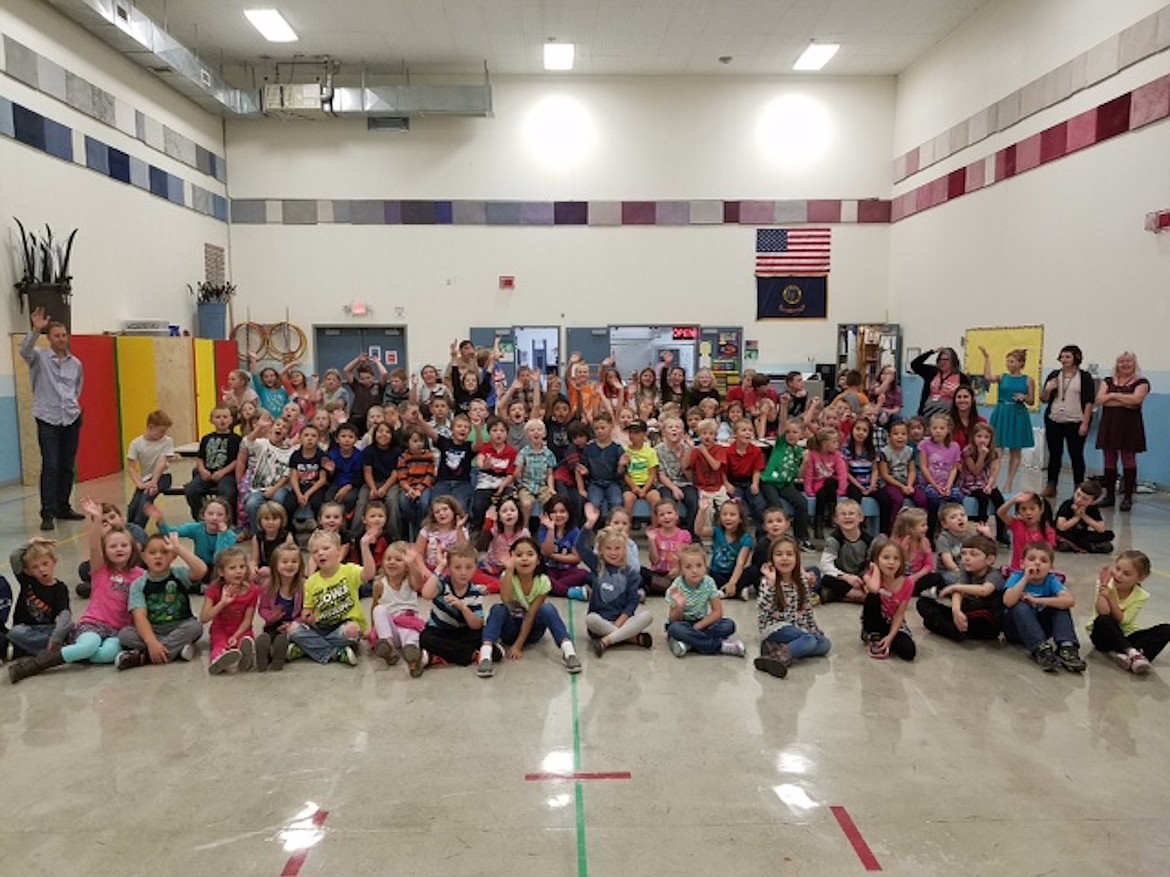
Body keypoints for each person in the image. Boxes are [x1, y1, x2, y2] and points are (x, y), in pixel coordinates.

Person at [9, 498, 144, 683]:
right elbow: (95, 546)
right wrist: (96, 521)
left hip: (117, 630)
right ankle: (34, 665)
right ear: (106, 551)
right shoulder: (101, 570)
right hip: (93, 624)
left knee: (106, 655)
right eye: (113, 546)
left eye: (124, 545)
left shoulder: (140, 575)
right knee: (88, 647)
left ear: (132, 548)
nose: (119, 549)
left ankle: (74, 652)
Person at [476, 538, 581, 677]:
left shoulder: (543, 581)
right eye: (519, 555)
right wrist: (508, 570)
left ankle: (569, 652)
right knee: (498, 609)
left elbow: (531, 615)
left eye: (530, 554)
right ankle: (485, 655)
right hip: (510, 629)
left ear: (538, 560)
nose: (524, 559)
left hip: (532, 631)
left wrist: (518, 645)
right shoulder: (507, 576)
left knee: (547, 608)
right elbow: (506, 599)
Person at [20, 307, 85, 531]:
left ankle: (63, 506)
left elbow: (77, 389)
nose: (61, 339)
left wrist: (71, 408)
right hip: (47, 418)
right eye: (56, 335)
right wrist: (35, 330)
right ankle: (47, 512)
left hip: (71, 417)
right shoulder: (38, 357)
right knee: (51, 465)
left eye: (64, 335)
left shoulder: (75, 363)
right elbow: (24, 350)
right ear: (49, 338)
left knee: (67, 466)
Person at [114, 533, 206, 670]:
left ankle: (144, 657)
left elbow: (201, 570)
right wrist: (151, 642)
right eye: (152, 552)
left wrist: (178, 549)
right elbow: (139, 617)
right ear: (144, 557)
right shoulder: (138, 584)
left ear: (173, 556)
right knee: (125, 635)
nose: (158, 556)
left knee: (195, 627)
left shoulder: (179, 574)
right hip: (153, 629)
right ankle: (176, 650)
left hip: (180, 625)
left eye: (164, 552)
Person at [288, 528, 376, 666]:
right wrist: (308, 617)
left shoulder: (349, 571)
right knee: (292, 629)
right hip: (322, 626)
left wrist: (364, 547)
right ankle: (336, 653)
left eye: (325, 548)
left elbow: (369, 574)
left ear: (339, 551)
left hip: (345, 626)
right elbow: (307, 610)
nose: (321, 553)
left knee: (352, 631)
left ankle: (308, 648)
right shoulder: (311, 582)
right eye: (315, 552)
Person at [754, 535, 830, 678]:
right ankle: (778, 658)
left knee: (824, 644)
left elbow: (807, 610)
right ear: (772, 559)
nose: (784, 558)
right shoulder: (768, 581)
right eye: (779, 554)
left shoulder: (802, 581)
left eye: (789, 554)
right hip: (774, 627)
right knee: (808, 640)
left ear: (797, 559)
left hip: (796, 627)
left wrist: (814, 630)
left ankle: (774, 649)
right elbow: (762, 607)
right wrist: (771, 584)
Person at [1001, 541, 1085, 672]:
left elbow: (1069, 601)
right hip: (1016, 630)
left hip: (1041, 627)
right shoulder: (1017, 576)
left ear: (1051, 568)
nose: (1037, 563)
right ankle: (1040, 649)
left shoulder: (1051, 580)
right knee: (1020, 606)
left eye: (1043, 560)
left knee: (1060, 605)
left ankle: (1066, 646)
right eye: (1032, 559)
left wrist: (1038, 600)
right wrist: (1025, 580)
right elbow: (1007, 601)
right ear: (1022, 563)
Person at [1089, 550, 1169, 674]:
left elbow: (1124, 621)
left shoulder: (1141, 595)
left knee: (1166, 629)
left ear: (1140, 578)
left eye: (1126, 573)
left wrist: (1109, 597)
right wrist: (1104, 587)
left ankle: (1124, 655)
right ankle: (1132, 653)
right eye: (1117, 569)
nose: (1119, 575)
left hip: (1127, 634)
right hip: (1104, 637)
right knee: (1103, 620)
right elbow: (1103, 612)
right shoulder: (1105, 584)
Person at [915, 534, 1005, 642]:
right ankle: (954, 630)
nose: (966, 558)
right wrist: (956, 611)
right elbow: (958, 592)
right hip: (965, 615)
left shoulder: (995, 574)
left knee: (978, 604)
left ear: (989, 559)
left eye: (973, 554)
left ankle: (949, 628)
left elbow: (984, 590)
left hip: (985, 620)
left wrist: (954, 587)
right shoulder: (965, 571)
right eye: (963, 553)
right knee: (923, 603)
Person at [413, 542, 487, 672]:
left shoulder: (475, 591)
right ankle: (469, 655)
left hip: (462, 633)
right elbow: (426, 594)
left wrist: (463, 607)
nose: (463, 572)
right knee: (425, 638)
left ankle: (435, 656)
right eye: (457, 567)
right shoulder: (443, 584)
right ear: (449, 568)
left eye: (468, 567)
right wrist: (440, 566)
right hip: (439, 631)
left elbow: (477, 624)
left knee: (481, 633)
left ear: (476, 568)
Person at [664, 544, 746, 658]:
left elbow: (717, 612)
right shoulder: (677, 586)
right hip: (683, 623)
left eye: (699, 566)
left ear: (705, 567)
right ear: (681, 570)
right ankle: (720, 646)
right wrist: (680, 606)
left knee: (728, 625)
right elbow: (673, 619)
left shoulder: (709, 582)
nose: (694, 571)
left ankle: (689, 643)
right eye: (688, 567)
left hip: (702, 622)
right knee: (674, 629)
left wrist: (697, 627)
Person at [1094, 351, 1149, 510]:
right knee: (1109, 460)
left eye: (1129, 361)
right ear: (1117, 364)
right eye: (1121, 361)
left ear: (1134, 364)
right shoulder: (1108, 380)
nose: (1125, 364)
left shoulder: (1142, 382)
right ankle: (1109, 496)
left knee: (1128, 460)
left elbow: (1137, 400)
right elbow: (1100, 400)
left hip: (1130, 426)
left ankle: (1127, 497)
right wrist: (1123, 399)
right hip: (1110, 425)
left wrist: (1111, 396)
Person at [1040, 345, 1095, 498]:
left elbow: (1090, 402)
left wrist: (1085, 423)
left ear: (1076, 358)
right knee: (1054, 454)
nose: (1064, 360)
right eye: (1062, 357)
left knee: (1076, 454)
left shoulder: (1084, 377)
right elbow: (1044, 399)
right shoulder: (1054, 375)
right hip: (1054, 419)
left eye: (1067, 357)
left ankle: (1079, 487)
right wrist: (1048, 389)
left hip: (1076, 420)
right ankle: (1051, 485)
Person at [980, 346, 1035, 492]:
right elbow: (988, 377)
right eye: (1007, 361)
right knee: (997, 449)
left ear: (1020, 363)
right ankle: (993, 480)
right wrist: (986, 358)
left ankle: (1009, 483)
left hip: (1018, 414)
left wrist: (1024, 398)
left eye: (1012, 361)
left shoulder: (1028, 380)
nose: (1009, 364)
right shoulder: (1003, 377)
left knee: (1015, 451)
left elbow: (1031, 400)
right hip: (1002, 411)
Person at [6, 538, 71, 659]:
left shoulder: (60, 588)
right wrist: (31, 542)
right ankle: (55, 651)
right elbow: (14, 556)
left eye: (45, 564)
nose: (41, 569)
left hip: (48, 629)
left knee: (70, 626)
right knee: (15, 632)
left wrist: (57, 637)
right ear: (28, 571)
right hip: (26, 628)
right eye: (35, 567)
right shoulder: (27, 580)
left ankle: (49, 648)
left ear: (54, 562)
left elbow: (64, 614)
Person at [154, 497, 236, 592]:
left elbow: (218, 559)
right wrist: (161, 521)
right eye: (210, 514)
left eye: (220, 515)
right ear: (203, 515)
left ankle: (209, 588)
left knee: (225, 574)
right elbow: (170, 533)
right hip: (200, 567)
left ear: (226, 518)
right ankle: (202, 587)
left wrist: (222, 535)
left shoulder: (230, 536)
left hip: (218, 568)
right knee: (180, 578)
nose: (214, 518)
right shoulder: (197, 528)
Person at [370, 542, 427, 675]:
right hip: (391, 630)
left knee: (412, 636)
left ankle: (413, 661)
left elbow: (419, 581)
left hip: (409, 625)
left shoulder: (410, 582)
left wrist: (413, 563)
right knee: (379, 610)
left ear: (406, 566)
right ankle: (388, 648)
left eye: (398, 559)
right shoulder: (379, 584)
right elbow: (374, 606)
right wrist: (373, 628)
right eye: (388, 559)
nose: (392, 562)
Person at [761, 418, 814, 551]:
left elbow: (799, 475)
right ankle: (775, 537)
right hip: (769, 482)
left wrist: (805, 462)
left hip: (785, 484)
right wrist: (784, 406)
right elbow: (782, 424)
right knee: (776, 506)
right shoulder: (781, 444)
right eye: (788, 432)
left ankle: (801, 538)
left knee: (802, 503)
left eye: (795, 432)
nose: (791, 434)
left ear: (801, 434)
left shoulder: (799, 451)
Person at [860, 537, 916, 661]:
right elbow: (874, 589)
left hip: (894, 622)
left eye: (896, 558)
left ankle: (885, 638)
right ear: (876, 560)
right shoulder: (869, 576)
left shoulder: (908, 583)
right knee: (872, 596)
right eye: (886, 558)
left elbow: (900, 614)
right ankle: (872, 634)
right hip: (875, 619)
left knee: (909, 652)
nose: (891, 562)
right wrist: (875, 569)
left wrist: (890, 637)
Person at [255, 542, 303, 672]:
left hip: (295, 624)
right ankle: (264, 656)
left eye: (294, 561)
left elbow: (306, 610)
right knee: (270, 634)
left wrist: (295, 622)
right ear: (275, 565)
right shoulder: (267, 586)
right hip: (274, 623)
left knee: (293, 637)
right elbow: (262, 608)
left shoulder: (303, 587)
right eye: (285, 562)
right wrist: (270, 617)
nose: (289, 565)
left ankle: (278, 656)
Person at [696, 498, 754, 600]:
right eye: (724, 514)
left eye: (732, 515)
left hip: (735, 574)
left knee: (753, 571)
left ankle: (725, 591)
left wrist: (732, 582)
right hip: (717, 573)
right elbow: (698, 531)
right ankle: (738, 591)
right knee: (706, 574)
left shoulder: (746, 539)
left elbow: (740, 563)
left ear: (740, 519)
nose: (728, 518)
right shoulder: (717, 531)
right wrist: (702, 511)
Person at [817, 500, 873, 604]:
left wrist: (865, 580)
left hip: (859, 578)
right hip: (840, 577)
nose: (847, 517)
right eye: (843, 514)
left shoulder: (868, 540)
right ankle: (853, 596)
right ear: (836, 520)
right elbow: (825, 565)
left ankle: (837, 595)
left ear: (861, 518)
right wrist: (845, 577)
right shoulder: (834, 539)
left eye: (851, 514)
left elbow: (870, 565)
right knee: (826, 579)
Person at [842, 417, 891, 534]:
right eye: (858, 429)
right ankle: (856, 530)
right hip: (854, 483)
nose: (860, 432)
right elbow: (846, 472)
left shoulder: (872, 450)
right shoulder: (846, 449)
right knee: (855, 496)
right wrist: (860, 486)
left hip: (869, 483)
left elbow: (875, 470)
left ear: (868, 434)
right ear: (852, 430)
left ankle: (883, 533)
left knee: (885, 500)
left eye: (864, 430)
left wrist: (872, 486)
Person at [917, 414, 963, 536]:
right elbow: (924, 467)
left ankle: (955, 531)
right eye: (935, 428)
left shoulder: (954, 446)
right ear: (929, 429)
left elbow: (954, 469)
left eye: (942, 428)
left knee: (958, 497)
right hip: (930, 484)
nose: (938, 431)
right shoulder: (924, 445)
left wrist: (948, 486)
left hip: (946, 484)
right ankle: (931, 533)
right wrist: (936, 486)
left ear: (948, 430)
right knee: (934, 498)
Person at [537, 496, 590, 597]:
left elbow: (576, 559)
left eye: (562, 511)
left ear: (568, 513)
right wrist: (551, 530)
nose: (558, 515)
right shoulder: (544, 529)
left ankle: (554, 588)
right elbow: (547, 551)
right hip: (548, 570)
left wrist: (553, 556)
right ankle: (570, 592)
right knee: (540, 578)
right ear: (548, 514)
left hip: (567, 571)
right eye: (554, 512)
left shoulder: (574, 531)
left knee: (583, 574)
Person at [878, 420, 925, 528]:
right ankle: (894, 529)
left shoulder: (910, 451)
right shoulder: (884, 452)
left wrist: (909, 485)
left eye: (903, 434)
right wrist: (901, 486)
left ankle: (921, 527)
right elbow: (885, 474)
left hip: (907, 482)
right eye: (896, 434)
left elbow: (912, 470)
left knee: (922, 499)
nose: (900, 437)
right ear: (889, 437)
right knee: (897, 499)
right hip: (891, 484)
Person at [803, 427, 847, 539]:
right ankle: (818, 526)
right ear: (824, 443)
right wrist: (809, 489)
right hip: (819, 484)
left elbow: (842, 473)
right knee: (821, 496)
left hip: (833, 484)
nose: (837, 445)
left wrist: (842, 489)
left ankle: (833, 513)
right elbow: (809, 473)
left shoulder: (837, 455)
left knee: (829, 481)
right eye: (834, 442)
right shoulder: (813, 455)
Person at [959, 423, 1004, 530]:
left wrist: (989, 484)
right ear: (973, 437)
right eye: (979, 436)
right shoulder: (968, 451)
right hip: (971, 483)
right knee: (983, 499)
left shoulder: (993, 452)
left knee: (999, 499)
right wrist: (981, 456)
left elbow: (994, 470)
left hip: (985, 481)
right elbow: (975, 471)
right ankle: (982, 526)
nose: (982, 440)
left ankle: (1002, 531)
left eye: (986, 437)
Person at [395, 428, 438, 541]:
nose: (418, 444)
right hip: (408, 487)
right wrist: (409, 489)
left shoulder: (429, 456)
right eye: (414, 441)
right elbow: (402, 477)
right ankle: (414, 525)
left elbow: (430, 475)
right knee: (403, 503)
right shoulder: (403, 457)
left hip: (424, 487)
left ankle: (420, 530)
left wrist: (419, 489)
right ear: (407, 443)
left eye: (421, 441)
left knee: (424, 503)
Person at [997, 492, 1056, 572]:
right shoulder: (1017, 525)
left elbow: (1049, 554)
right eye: (1023, 509)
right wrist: (1013, 501)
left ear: (1041, 510)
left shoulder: (1048, 532)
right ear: (1019, 512)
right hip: (1017, 570)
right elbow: (1000, 513)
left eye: (1032, 508)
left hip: (1039, 572)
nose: (1028, 513)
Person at [516, 419, 557, 525]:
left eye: (539, 430)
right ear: (527, 435)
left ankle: (548, 525)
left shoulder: (548, 453)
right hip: (526, 485)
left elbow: (550, 474)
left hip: (542, 486)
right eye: (532, 430)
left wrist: (551, 488)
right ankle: (525, 526)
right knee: (526, 503)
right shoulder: (523, 452)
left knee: (550, 501)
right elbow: (518, 471)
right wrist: (517, 474)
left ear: (544, 433)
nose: (536, 432)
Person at [1055, 481, 1114, 554]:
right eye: (1078, 495)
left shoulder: (1092, 508)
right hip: (1066, 533)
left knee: (1109, 534)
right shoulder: (1067, 504)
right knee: (1058, 534)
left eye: (1085, 499)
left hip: (1080, 535)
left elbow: (1101, 529)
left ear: (1092, 502)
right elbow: (1061, 527)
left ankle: (1078, 546)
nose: (1079, 500)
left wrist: (1083, 516)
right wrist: (1077, 517)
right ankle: (1088, 547)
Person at [910, 346, 970, 417]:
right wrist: (931, 352)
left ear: (953, 361)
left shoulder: (962, 378)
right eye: (940, 359)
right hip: (927, 415)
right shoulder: (932, 372)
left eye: (946, 359)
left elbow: (968, 397)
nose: (942, 362)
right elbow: (914, 365)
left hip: (949, 417)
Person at [415, 495, 469, 573]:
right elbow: (418, 554)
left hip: (454, 571)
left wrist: (459, 529)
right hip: (430, 569)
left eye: (445, 509)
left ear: (453, 510)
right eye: (437, 512)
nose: (441, 513)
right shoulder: (427, 530)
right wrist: (424, 571)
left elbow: (464, 552)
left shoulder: (462, 530)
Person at [288, 424, 329, 526]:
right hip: (300, 486)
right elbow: (293, 477)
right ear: (300, 438)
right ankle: (289, 531)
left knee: (317, 504)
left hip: (315, 487)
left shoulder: (323, 456)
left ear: (318, 439)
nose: (309, 438)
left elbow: (323, 479)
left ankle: (320, 528)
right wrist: (299, 494)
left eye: (313, 436)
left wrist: (307, 494)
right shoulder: (295, 455)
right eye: (306, 435)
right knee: (288, 505)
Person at [343, 353, 389, 435]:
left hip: (373, 420)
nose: (366, 381)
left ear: (373, 377)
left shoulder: (379, 387)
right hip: (357, 420)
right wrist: (358, 360)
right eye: (363, 379)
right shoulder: (357, 386)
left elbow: (384, 374)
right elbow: (347, 370)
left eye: (368, 378)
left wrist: (377, 362)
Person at [947, 385, 984, 450]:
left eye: (965, 397)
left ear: (972, 400)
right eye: (959, 397)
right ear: (954, 400)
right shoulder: (946, 422)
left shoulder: (981, 422)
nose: (962, 400)